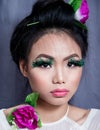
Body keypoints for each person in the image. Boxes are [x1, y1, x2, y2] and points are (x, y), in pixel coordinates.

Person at [0, 0, 100, 129]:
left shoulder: (95, 123)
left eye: (72, 63)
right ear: (24, 67)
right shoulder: (3, 123)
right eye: (45, 65)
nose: (60, 78)